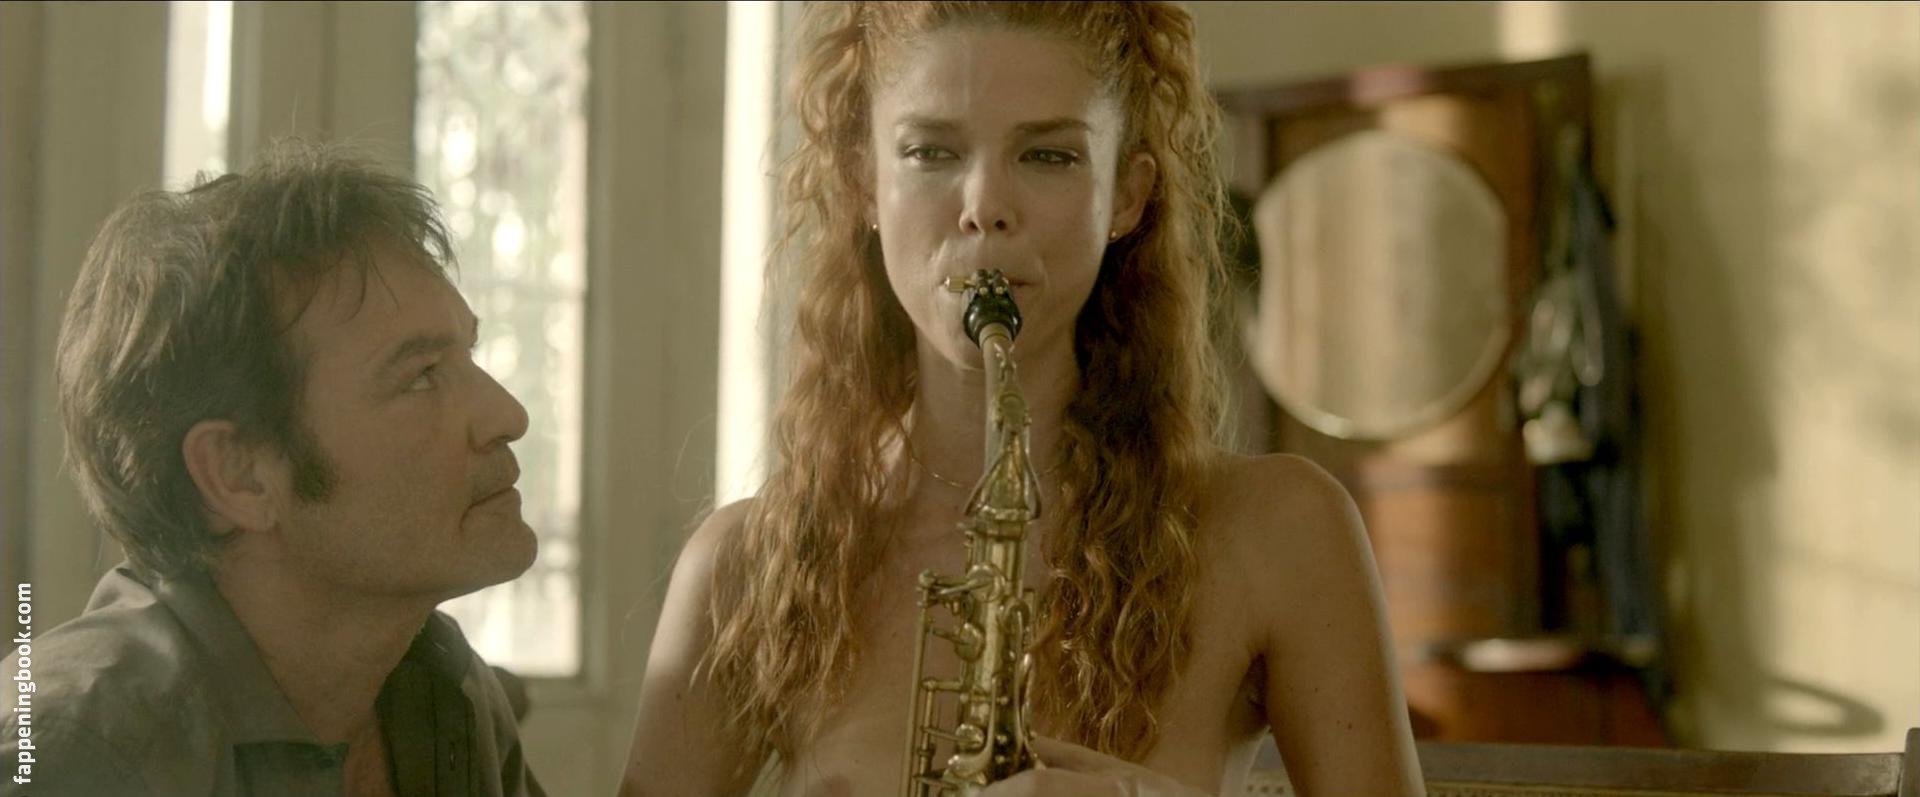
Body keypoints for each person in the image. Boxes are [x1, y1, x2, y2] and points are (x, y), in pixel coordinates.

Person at [622, 2, 1424, 795]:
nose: (985, 207)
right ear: (863, 180)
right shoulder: (744, 567)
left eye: (1048, 156)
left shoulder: (1280, 530)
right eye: (930, 151)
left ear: (1128, 195)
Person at [1, 139, 546, 797]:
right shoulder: (71, 757)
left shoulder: (442, 689)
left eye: (468, 355)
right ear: (240, 475)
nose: (507, 414)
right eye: (421, 375)